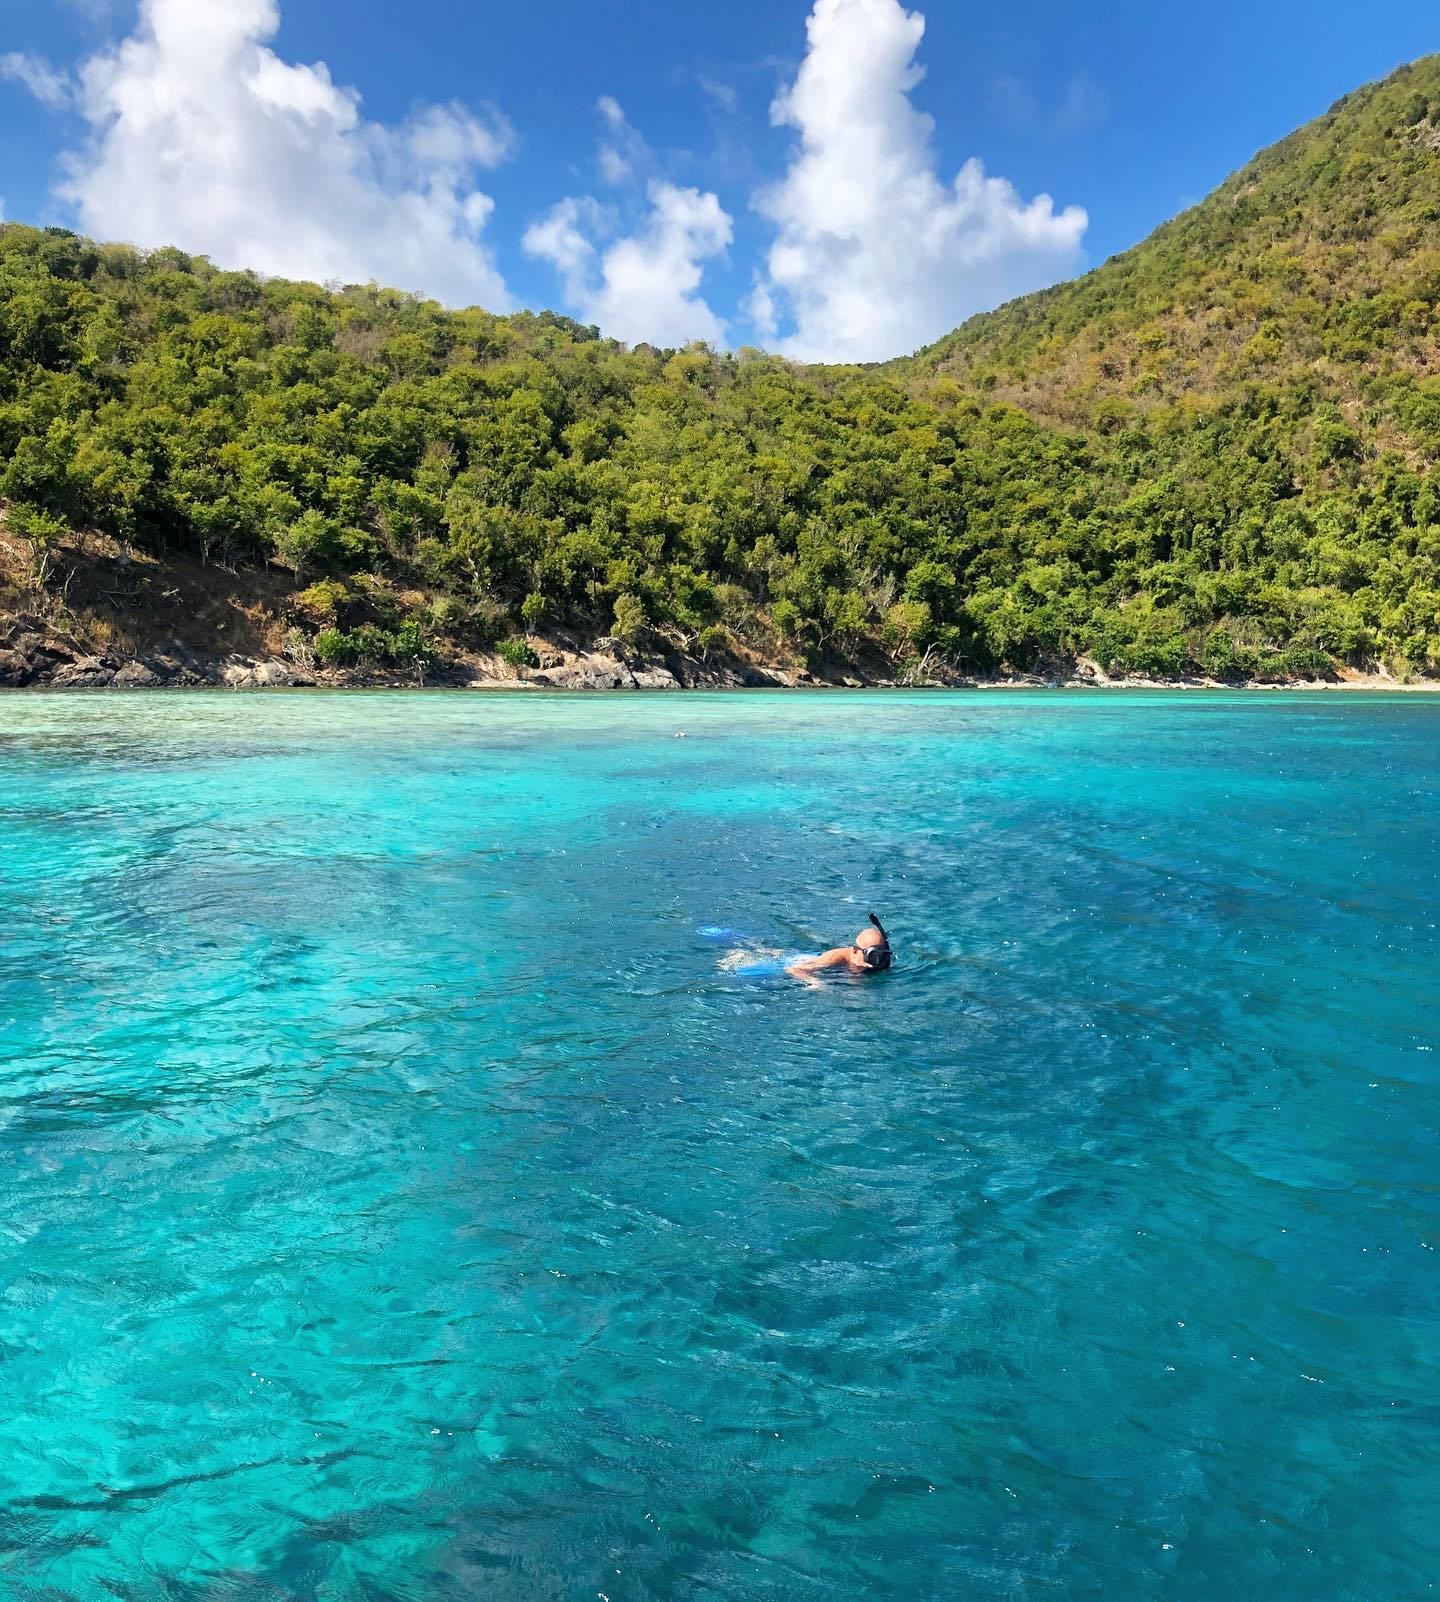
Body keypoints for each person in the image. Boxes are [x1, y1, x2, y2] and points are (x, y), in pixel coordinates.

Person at [786, 913, 892, 988]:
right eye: (872, 956)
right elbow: (793, 969)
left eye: (880, 956)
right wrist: (814, 982)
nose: (876, 962)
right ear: (855, 951)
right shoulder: (833, 959)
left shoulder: (883, 960)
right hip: (796, 961)